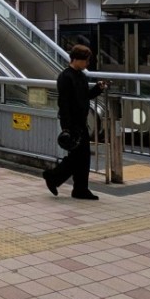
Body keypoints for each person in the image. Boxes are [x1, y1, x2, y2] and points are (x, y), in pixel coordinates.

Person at [43, 44, 106, 200]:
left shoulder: (81, 76)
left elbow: (84, 97)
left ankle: (77, 187)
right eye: (85, 60)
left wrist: (98, 89)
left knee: (82, 157)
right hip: (72, 123)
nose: (87, 64)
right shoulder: (65, 77)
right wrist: (67, 127)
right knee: (79, 156)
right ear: (76, 59)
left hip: (81, 122)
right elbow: (63, 103)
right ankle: (56, 178)